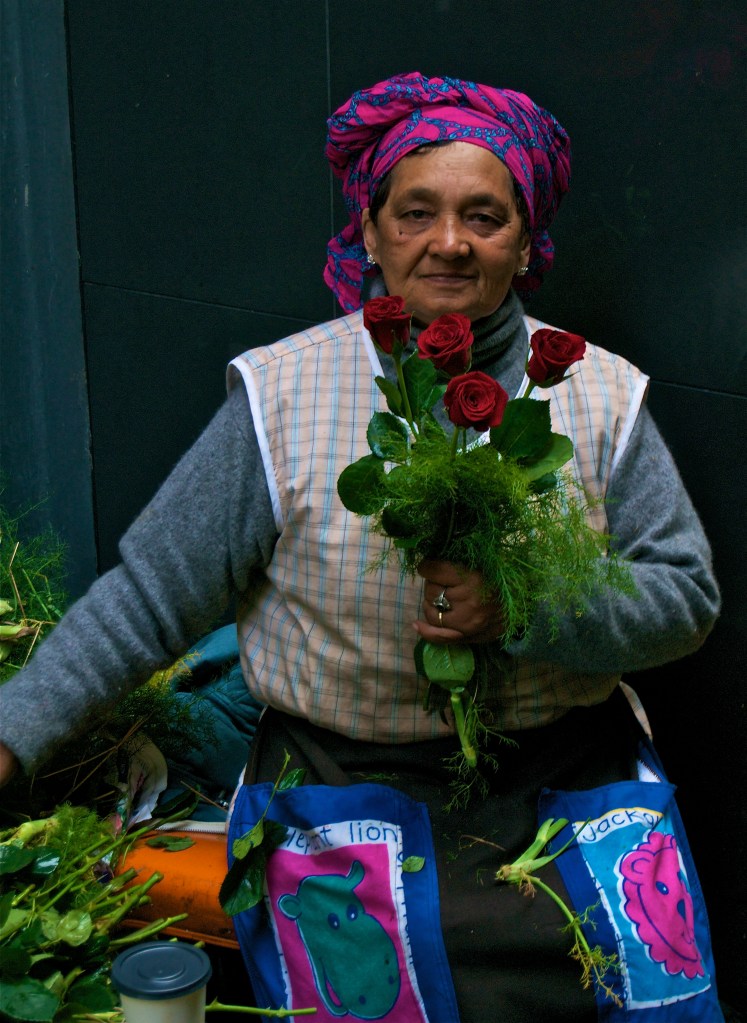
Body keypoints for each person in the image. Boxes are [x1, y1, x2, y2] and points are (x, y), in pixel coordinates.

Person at [0, 73, 722, 1020]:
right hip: (341, 794)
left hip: (567, 788)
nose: (449, 243)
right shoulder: (284, 396)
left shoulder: (600, 396)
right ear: (371, 231)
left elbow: (684, 598)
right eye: (415, 211)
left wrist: (525, 610)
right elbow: (150, 598)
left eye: (484, 216)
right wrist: (14, 733)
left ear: (526, 241)